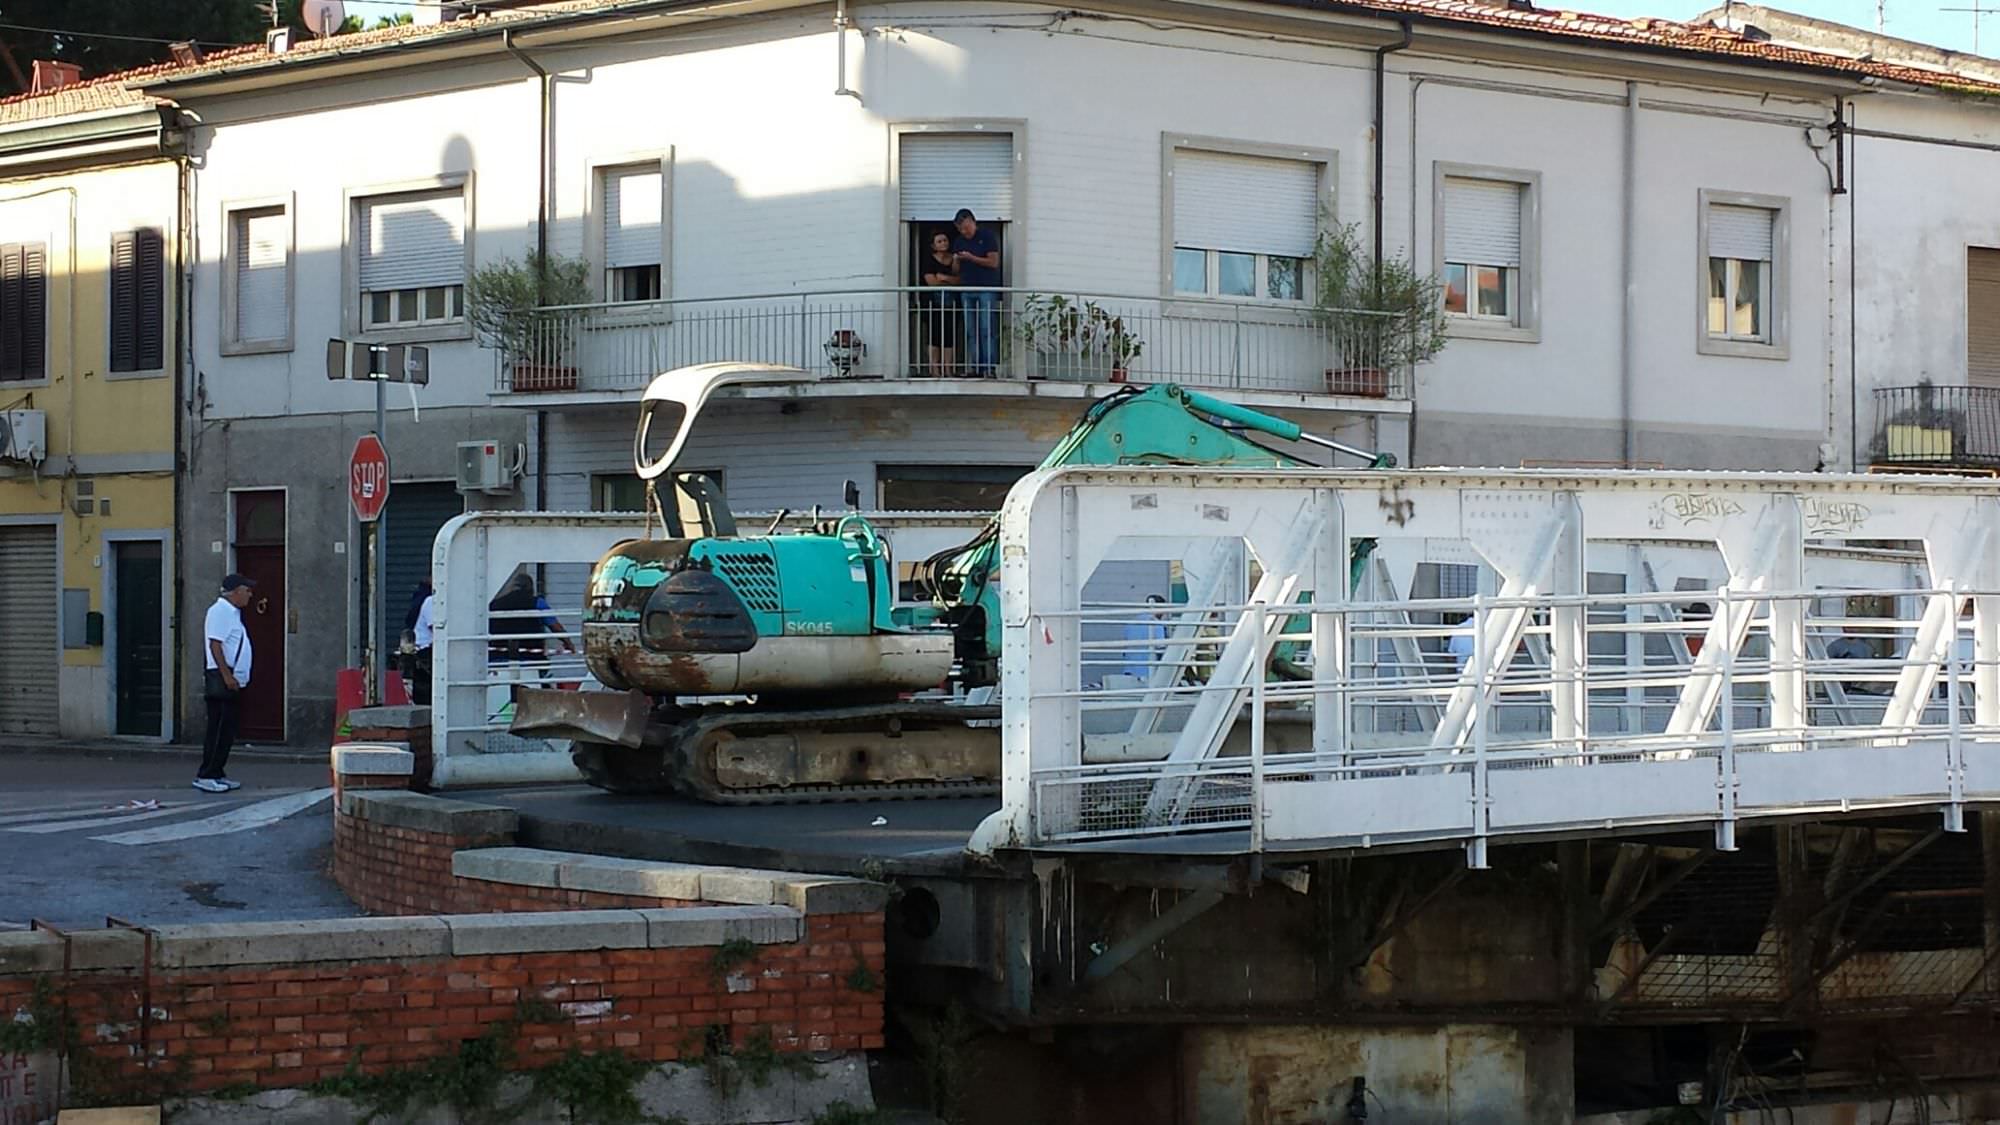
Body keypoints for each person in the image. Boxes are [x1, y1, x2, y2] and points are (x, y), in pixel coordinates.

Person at [197, 574, 255, 793]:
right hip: (222, 678)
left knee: (227, 729)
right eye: (247, 590)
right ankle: (206, 774)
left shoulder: (232, 613)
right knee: (218, 727)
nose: (250, 594)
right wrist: (227, 676)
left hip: (230, 678)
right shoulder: (220, 611)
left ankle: (218, 772)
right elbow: (215, 645)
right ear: (235, 591)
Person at [951, 208, 1002, 377]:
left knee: (987, 329)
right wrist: (957, 261)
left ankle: (989, 368)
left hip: (986, 288)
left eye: (966, 227)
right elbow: (955, 271)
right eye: (960, 229)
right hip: (967, 289)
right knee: (971, 330)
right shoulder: (959, 242)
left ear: (973, 222)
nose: (964, 232)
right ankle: (975, 367)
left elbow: (994, 262)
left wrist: (971, 257)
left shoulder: (986, 237)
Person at [917, 229, 962, 376]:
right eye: (939, 241)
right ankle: (934, 369)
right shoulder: (929, 260)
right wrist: (947, 281)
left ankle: (948, 369)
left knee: (950, 336)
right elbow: (932, 283)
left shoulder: (954, 259)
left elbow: (959, 280)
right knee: (934, 335)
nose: (943, 243)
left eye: (945, 240)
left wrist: (945, 278)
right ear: (933, 245)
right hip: (933, 303)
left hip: (952, 303)